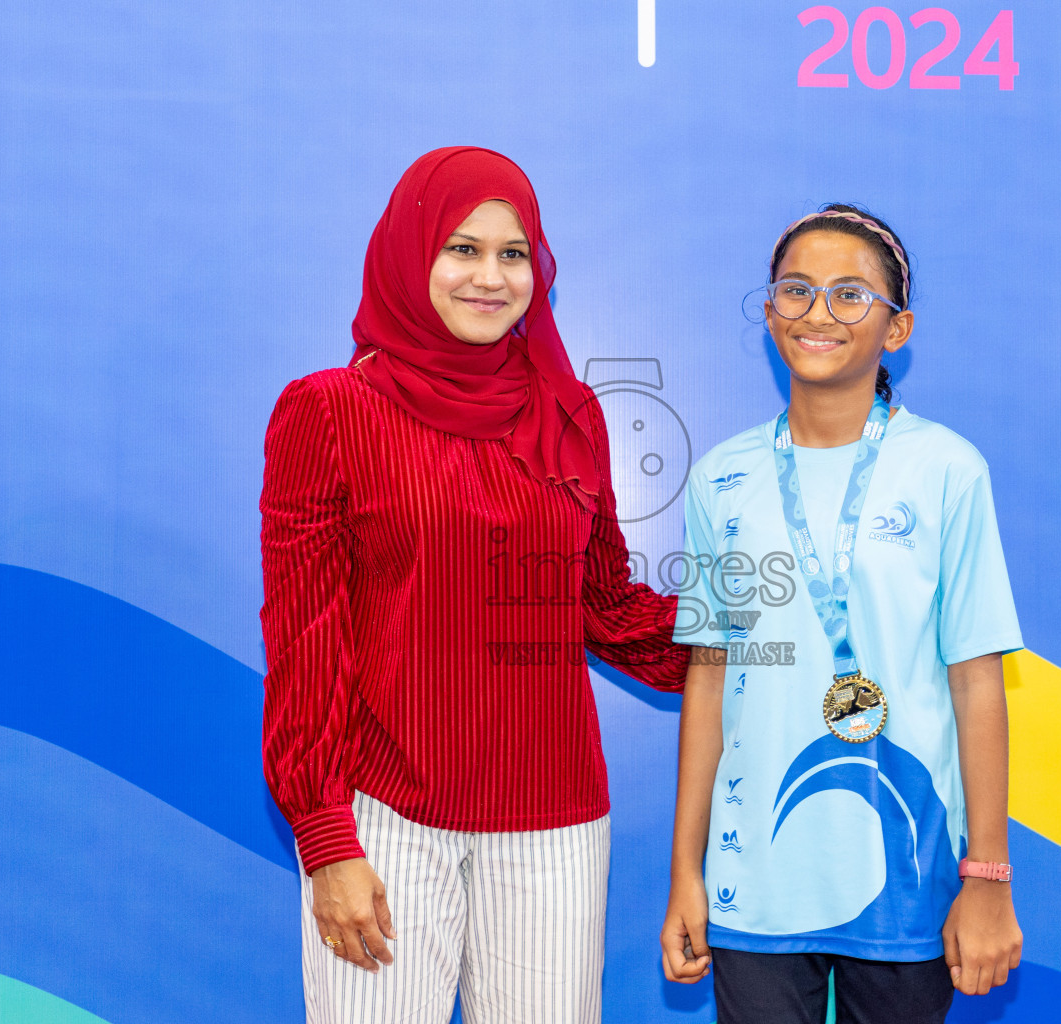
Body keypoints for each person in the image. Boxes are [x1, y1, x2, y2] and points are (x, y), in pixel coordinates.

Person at [260, 146, 688, 1024]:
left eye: (513, 252)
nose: (490, 277)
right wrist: (325, 834)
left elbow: (604, 607)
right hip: (383, 817)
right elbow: (305, 640)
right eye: (462, 248)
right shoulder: (328, 412)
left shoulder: (572, 415)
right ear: (409, 257)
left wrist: (769, 636)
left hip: (555, 821)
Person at [659, 205, 1024, 1023]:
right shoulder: (723, 478)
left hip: (910, 877)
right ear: (768, 311)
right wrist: (687, 872)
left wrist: (987, 877)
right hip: (754, 884)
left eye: (851, 295)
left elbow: (977, 685)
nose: (818, 313)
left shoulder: (947, 471)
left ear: (898, 329)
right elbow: (709, 685)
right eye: (797, 290)